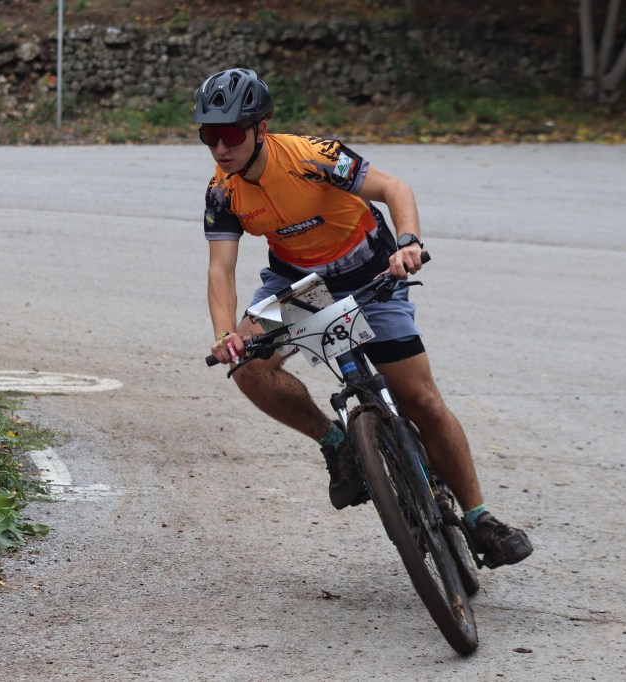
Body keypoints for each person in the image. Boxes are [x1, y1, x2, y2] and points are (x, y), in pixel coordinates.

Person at [197, 68, 532, 569]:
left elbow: (395, 189)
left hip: (372, 270)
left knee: (421, 399)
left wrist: (409, 243)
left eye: (229, 134)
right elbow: (220, 269)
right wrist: (225, 333)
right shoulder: (222, 191)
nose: (219, 148)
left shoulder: (313, 156)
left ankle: (480, 518)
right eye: (208, 136)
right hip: (301, 287)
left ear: (260, 128)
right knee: (247, 367)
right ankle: (337, 444)